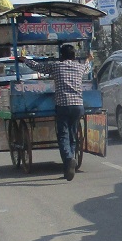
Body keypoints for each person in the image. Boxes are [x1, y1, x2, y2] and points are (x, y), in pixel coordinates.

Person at [17, 43, 87, 180]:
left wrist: (24, 60)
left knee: (63, 135)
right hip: (79, 105)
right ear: (74, 56)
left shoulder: (56, 66)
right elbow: (87, 65)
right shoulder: (80, 67)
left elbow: (39, 67)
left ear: (61, 56)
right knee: (73, 135)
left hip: (63, 105)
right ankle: (70, 163)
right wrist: (89, 59)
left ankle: (68, 159)